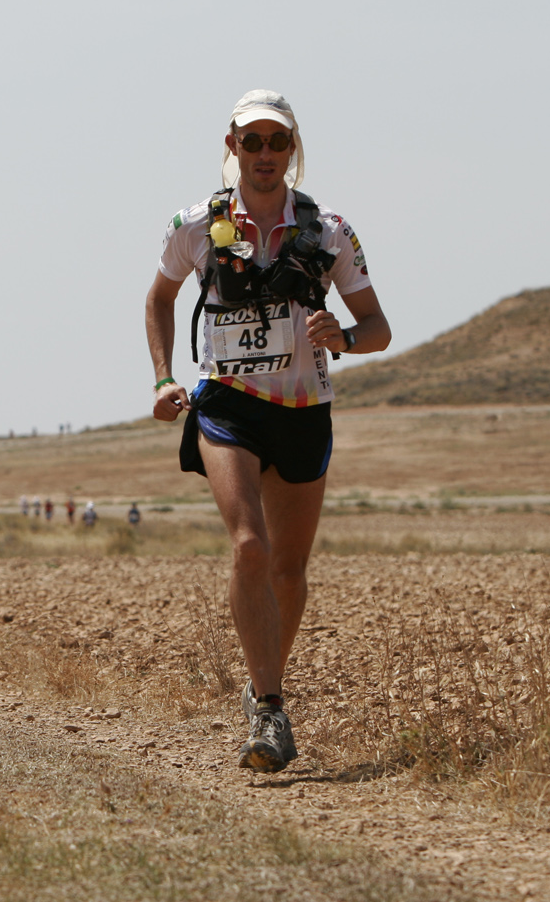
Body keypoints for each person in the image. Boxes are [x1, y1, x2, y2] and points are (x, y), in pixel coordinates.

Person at [146, 90, 390, 772]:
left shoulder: (330, 231)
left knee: (288, 567)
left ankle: (260, 693)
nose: (262, 154)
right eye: (249, 141)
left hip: (303, 410)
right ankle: (273, 707)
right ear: (231, 146)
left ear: (292, 150)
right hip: (226, 405)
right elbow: (158, 298)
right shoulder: (193, 224)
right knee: (249, 546)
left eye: (274, 142)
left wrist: (340, 335)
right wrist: (163, 377)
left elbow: (378, 327)